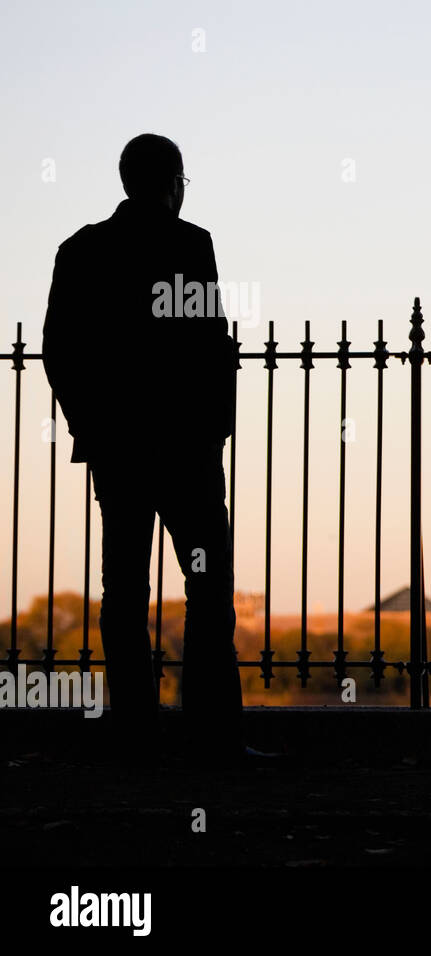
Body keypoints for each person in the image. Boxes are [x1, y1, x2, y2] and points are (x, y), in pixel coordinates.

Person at [42, 133, 244, 762]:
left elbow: (58, 351)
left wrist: (90, 427)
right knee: (207, 589)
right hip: (187, 450)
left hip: (120, 451)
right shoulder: (191, 244)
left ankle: (135, 734)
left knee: (125, 591)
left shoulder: (80, 250)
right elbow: (211, 346)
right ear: (175, 182)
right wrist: (215, 429)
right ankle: (211, 735)